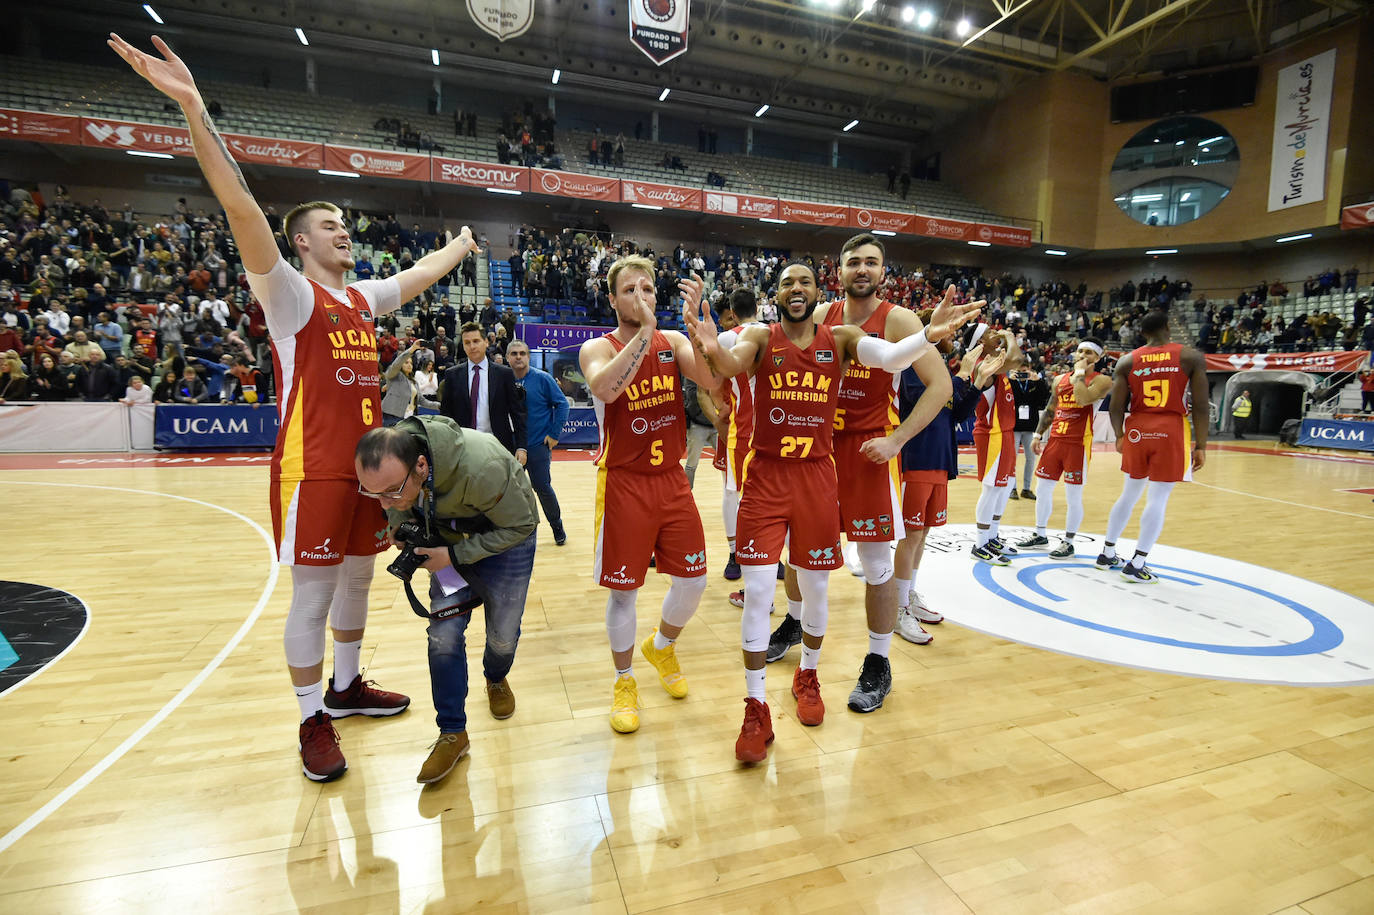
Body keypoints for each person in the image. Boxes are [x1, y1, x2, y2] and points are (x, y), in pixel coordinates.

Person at [111, 32, 483, 782]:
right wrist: (193, 110)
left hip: (369, 477)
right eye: (328, 225)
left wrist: (462, 245)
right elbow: (240, 204)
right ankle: (312, 716)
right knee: (311, 597)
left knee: (354, 583)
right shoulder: (288, 292)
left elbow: (416, 275)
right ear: (299, 243)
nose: (344, 229)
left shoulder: (358, 296)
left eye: (346, 222)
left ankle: (345, 687)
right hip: (312, 471)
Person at [686, 260, 977, 761]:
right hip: (768, 477)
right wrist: (710, 346)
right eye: (786, 283)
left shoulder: (839, 337)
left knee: (818, 584)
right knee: (759, 590)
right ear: (775, 294)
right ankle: (755, 706)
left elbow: (889, 357)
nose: (795, 289)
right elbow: (728, 368)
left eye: (804, 282)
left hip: (820, 474)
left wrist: (927, 333)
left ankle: (809, 676)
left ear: (817, 291)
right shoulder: (760, 334)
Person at [807, 234, 961, 712]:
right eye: (854, 261)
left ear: (883, 272)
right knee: (808, 559)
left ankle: (878, 663)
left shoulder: (897, 319)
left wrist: (897, 440)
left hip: (870, 450)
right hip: (818, 451)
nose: (862, 269)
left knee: (876, 565)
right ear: (839, 270)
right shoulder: (819, 317)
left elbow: (940, 385)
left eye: (871, 262)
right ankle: (804, 649)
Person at [576, 256, 717, 735]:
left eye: (649, 288)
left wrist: (704, 333)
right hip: (622, 482)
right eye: (630, 289)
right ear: (613, 299)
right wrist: (643, 333)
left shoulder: (673, 341)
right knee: (623, 593)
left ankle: (661, 645)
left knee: (694, 580)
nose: (642, 296)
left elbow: (714, 382)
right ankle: (624, 679)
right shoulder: (596, 347)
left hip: (672, 479)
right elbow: (606, 388)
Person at [354, 418, 537, 784]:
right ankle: (453, 732)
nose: (385, 501)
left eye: (392, 490)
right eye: (374, 493)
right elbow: (394, 504)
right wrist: (398, 520)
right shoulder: (400, 474)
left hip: (508, 539)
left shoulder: (481, 465)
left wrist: (453, 556)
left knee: (503, 634)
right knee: (443, 636)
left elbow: (521, 525)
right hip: (446, 541)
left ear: (421, 465)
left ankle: (496, 676)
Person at [863, 317, 986, 644]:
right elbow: (923, 406)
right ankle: (899, 608)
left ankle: (909, 595)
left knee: (923, 533)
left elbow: (954, 414)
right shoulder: (909, 365)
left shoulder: (941, 366)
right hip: (915, 460)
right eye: (950, 329)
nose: (954, 336)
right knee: (911, 534)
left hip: (940, 460)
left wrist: (974, 383)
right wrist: (960, 376)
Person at [1099, 310, 1209, 582]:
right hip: (1170, 428)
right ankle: (1137, 564)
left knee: (1129, 493)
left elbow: (1116, 405)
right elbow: (1202, 405)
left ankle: (1107, 553)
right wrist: (1202, 445)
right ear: (1169, 327)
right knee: (1158, 497)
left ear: (1142, 333)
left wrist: (1119, 435)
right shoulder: (1190, 357)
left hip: (1138, 427)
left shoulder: (1127, 360)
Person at [1017, 340, 1114, 559]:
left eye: (1089, 352)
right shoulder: (1060, 379)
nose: (1082, 354)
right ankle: (1040, 534)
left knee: (1073, 496)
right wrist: (1038, 434)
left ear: (1097, 358)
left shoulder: (1102, 380)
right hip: (1056, 442)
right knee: (1042, 490)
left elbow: (1081, 399)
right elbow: (1051, 408)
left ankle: (1069, 542)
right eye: (1080, 351)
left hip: (1078, 444)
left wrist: (1079, 373)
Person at [717, 288, 765, 581]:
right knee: (765, 495)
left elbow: (711, 384)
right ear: (758, 308)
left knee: (732, 492)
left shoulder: (726, 337)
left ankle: (737, 553)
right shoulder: (774, 333)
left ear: (732, 313)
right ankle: (762, 552)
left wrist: (720, 413)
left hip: (741, 427)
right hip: (774, 428)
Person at [969, 329, 1025, 565]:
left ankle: (992, 536)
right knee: (991, 488)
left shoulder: (996, 364)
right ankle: (980, 543)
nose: (997, 333)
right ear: (981, 341)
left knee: (1006, 486)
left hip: (1004, 432)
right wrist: (1011, 337)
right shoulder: (984, 364)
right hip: (991, 434)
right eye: (991, 332)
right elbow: (1016, 359)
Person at [507, 340, 569, 545]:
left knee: (542, 487)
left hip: (536, 446)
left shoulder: (543, 379)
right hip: (508, 447)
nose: (518, 357)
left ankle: (557, 526)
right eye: (514, 353)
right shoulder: (502, 379)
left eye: (522, 353)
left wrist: (554, 434)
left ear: (528, 356)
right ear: (507, 357)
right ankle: (512, 530)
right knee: (508, 491)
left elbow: (562, 405)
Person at [439, 322, 527, 463]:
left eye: (476, 341)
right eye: (467, 342)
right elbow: (446, 416)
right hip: (464, 447)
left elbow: (517, 413)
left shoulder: (504, 374)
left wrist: (522, 447)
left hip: (498, 446)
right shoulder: (452, 375)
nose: (472, 346)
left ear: (486, 342)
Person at [1009, 363, 1051, 499]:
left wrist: (1039, 382)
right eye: (1019, 371)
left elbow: (1044, 399)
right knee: (1011, 459)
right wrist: (1010, 380)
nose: (1022, 374)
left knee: (1031, 458)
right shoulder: (1011, 383)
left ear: (1030, 371)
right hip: (1014, 426)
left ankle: (1026, 489)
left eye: (1025, 371)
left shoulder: (1034, 383)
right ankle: (1012, 488)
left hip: (1030, 426)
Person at [381, 342, 434, 426]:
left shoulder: (414, 382)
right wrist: (412, 349)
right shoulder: (394, 375)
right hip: (392, 417)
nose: (409, 365)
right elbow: (396, 364)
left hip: (409, 418)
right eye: (406, 363)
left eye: (411, 363)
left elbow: (422, 401)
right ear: (401, 364)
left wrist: (440, 405)